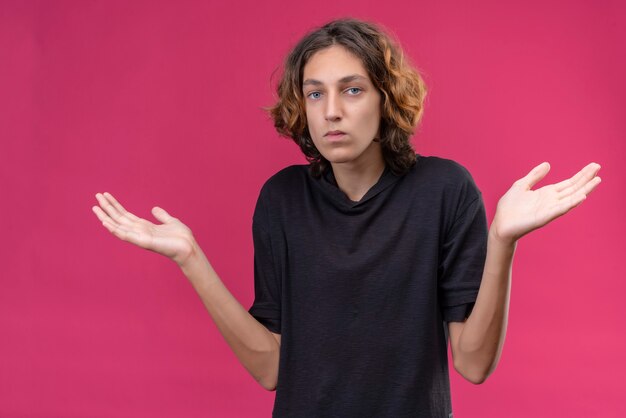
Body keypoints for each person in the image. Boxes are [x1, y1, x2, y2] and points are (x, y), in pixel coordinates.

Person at [92, 18, 601, 418]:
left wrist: (503, 242)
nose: (331, 110)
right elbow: (272, 368)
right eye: (316, 93)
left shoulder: (445, 190)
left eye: (352, 90)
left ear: (386, 99)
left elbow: (472, 363)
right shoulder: (282, 199)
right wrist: (190, 258)